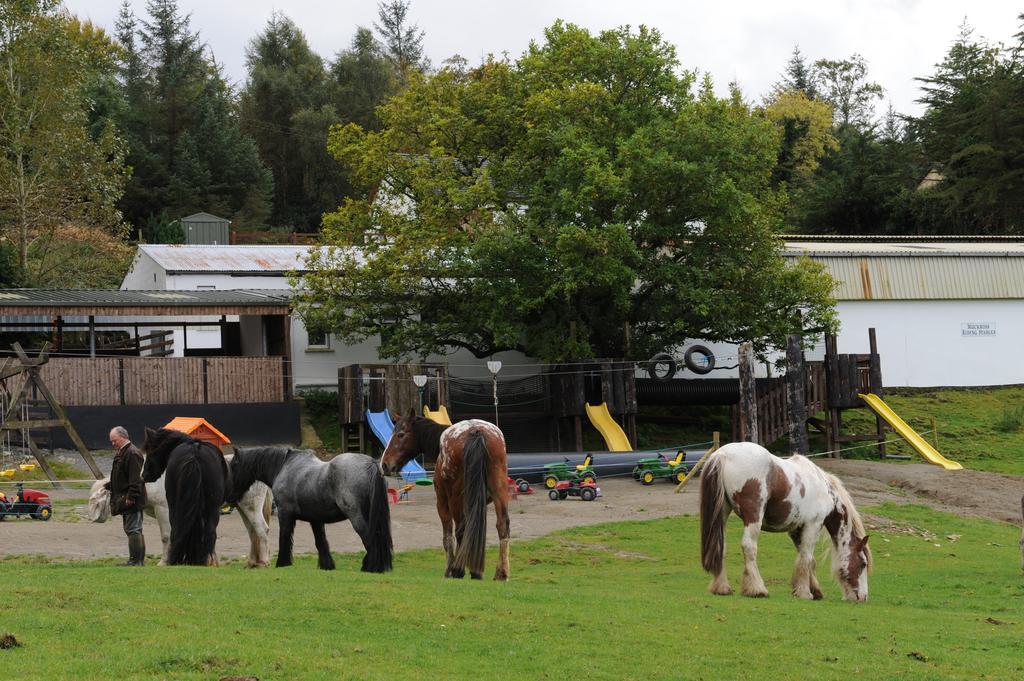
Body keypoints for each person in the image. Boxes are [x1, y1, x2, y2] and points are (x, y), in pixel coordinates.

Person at [108, 426, 147, 566]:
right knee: (133, 528)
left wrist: (131, 497)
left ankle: (136, 561)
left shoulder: (131, 453)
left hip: (132, 499)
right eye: (111, 441)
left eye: (114, 440)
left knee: (133, 528)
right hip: (126, 497)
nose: (113, 444)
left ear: (123, 437)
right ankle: (137, 560)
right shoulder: (124, 452)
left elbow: (135, 479)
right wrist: (109, 486)